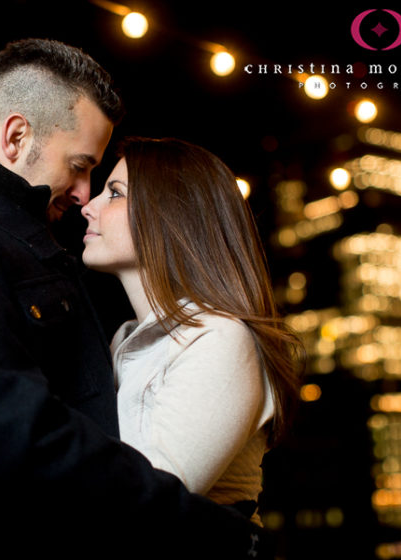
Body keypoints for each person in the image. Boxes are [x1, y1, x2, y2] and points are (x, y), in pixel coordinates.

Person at [0, 38, 266, 559]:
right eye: (82, 165)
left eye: (108, 186)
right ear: (17, 136)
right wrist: (217, 532)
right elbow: (3, 440)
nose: (84, 195)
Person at [81, 137, 304, 530]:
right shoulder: (124, 341)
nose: (88, 207)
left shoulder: (219, 337)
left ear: (168, 215)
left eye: (114, 194)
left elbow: (144, 502)